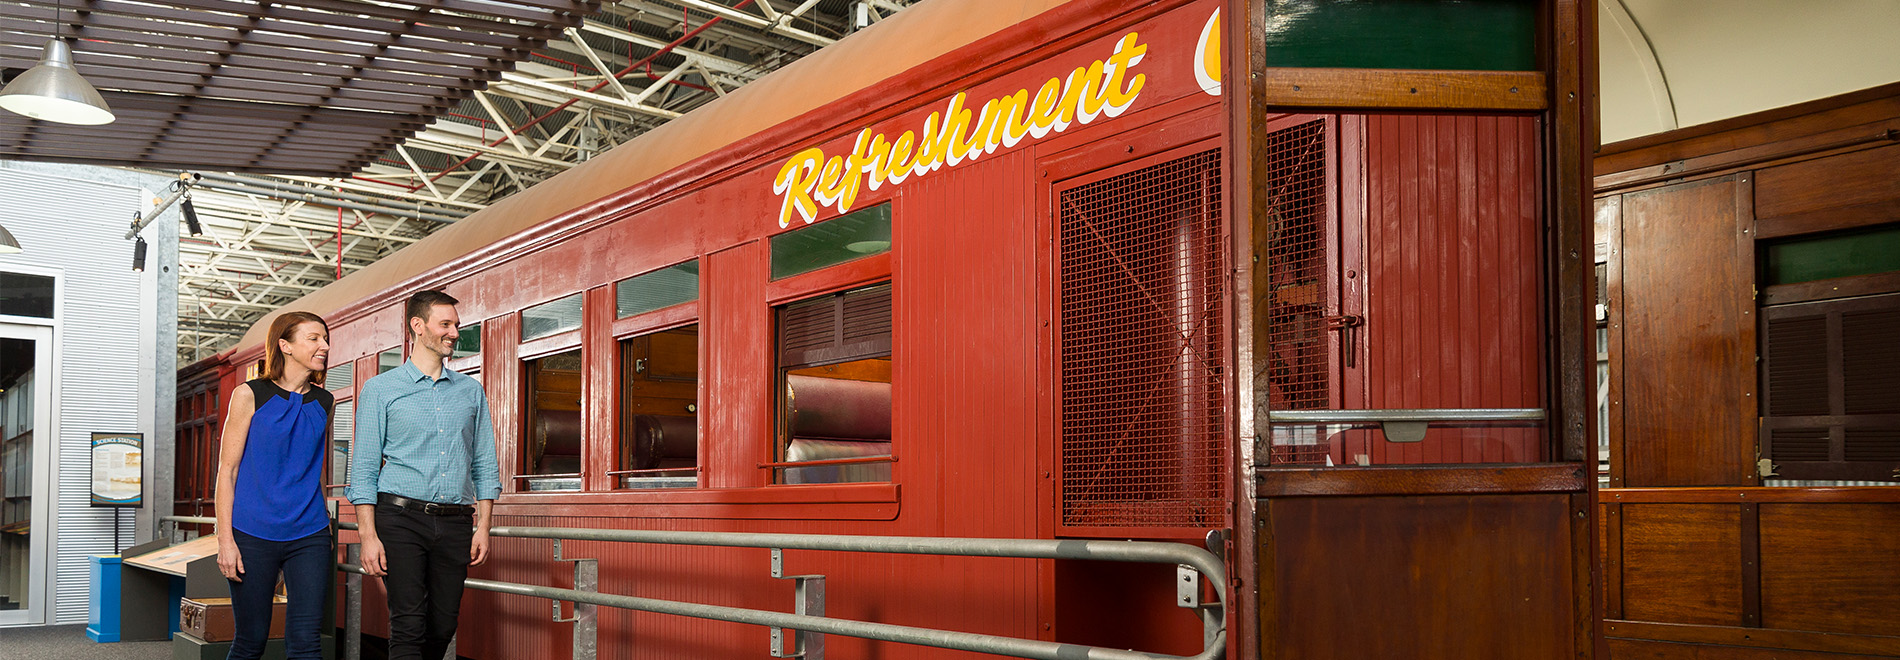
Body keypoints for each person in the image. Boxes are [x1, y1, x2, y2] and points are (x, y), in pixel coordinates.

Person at [347, 290, 500, 660]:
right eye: (445, 324)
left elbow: (484, 462)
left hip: (456, 522)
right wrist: (368, 536)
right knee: (408, 624)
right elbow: (364, 469)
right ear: (417, 326)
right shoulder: (380, 389)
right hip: (400, 519)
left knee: (443, 625)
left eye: (456, 325)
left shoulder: (470, 391)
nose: (454, 333)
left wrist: (484, 526)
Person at [214, 311, 335, 660]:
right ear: (285, 345)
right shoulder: (249, 394)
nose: (324, 346)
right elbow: (227, 471)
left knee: (307, 641)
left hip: (309, 534)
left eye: (325, 339)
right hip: (252, 533)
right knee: (250, 640)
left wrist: (324, 525)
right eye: (314, 338)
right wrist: (225, 541)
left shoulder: (325, 402)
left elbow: (315, 467)